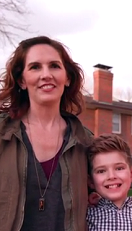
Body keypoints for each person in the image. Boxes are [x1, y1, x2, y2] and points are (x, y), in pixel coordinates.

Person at [0, 36, 93, 231]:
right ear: (22, 81)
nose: (46, 75)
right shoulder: (2, 134)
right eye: (35, 67)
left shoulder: (85, 142)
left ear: (67, 77)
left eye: (54, 66)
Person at [86, 133, 132, 231]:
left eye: (119, 168)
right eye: (101, 171)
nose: (111, 176)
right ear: (91, 181)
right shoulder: (86, 216)